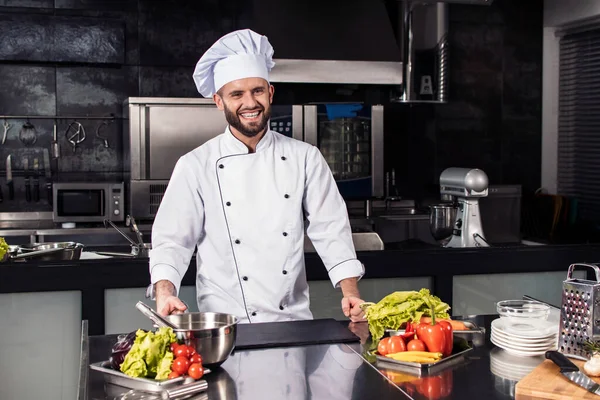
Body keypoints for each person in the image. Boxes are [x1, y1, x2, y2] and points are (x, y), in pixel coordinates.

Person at [148, 28, 366, 323]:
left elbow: (331, 228)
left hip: (292, 322)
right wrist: (165, 292)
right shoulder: (196, 165)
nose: (250, 103)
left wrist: (350, 291)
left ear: (270, 92)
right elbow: (173, 241)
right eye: (236, 94)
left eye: (257, 91)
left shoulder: (305, 157)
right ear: (219, 101)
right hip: (224, 326)